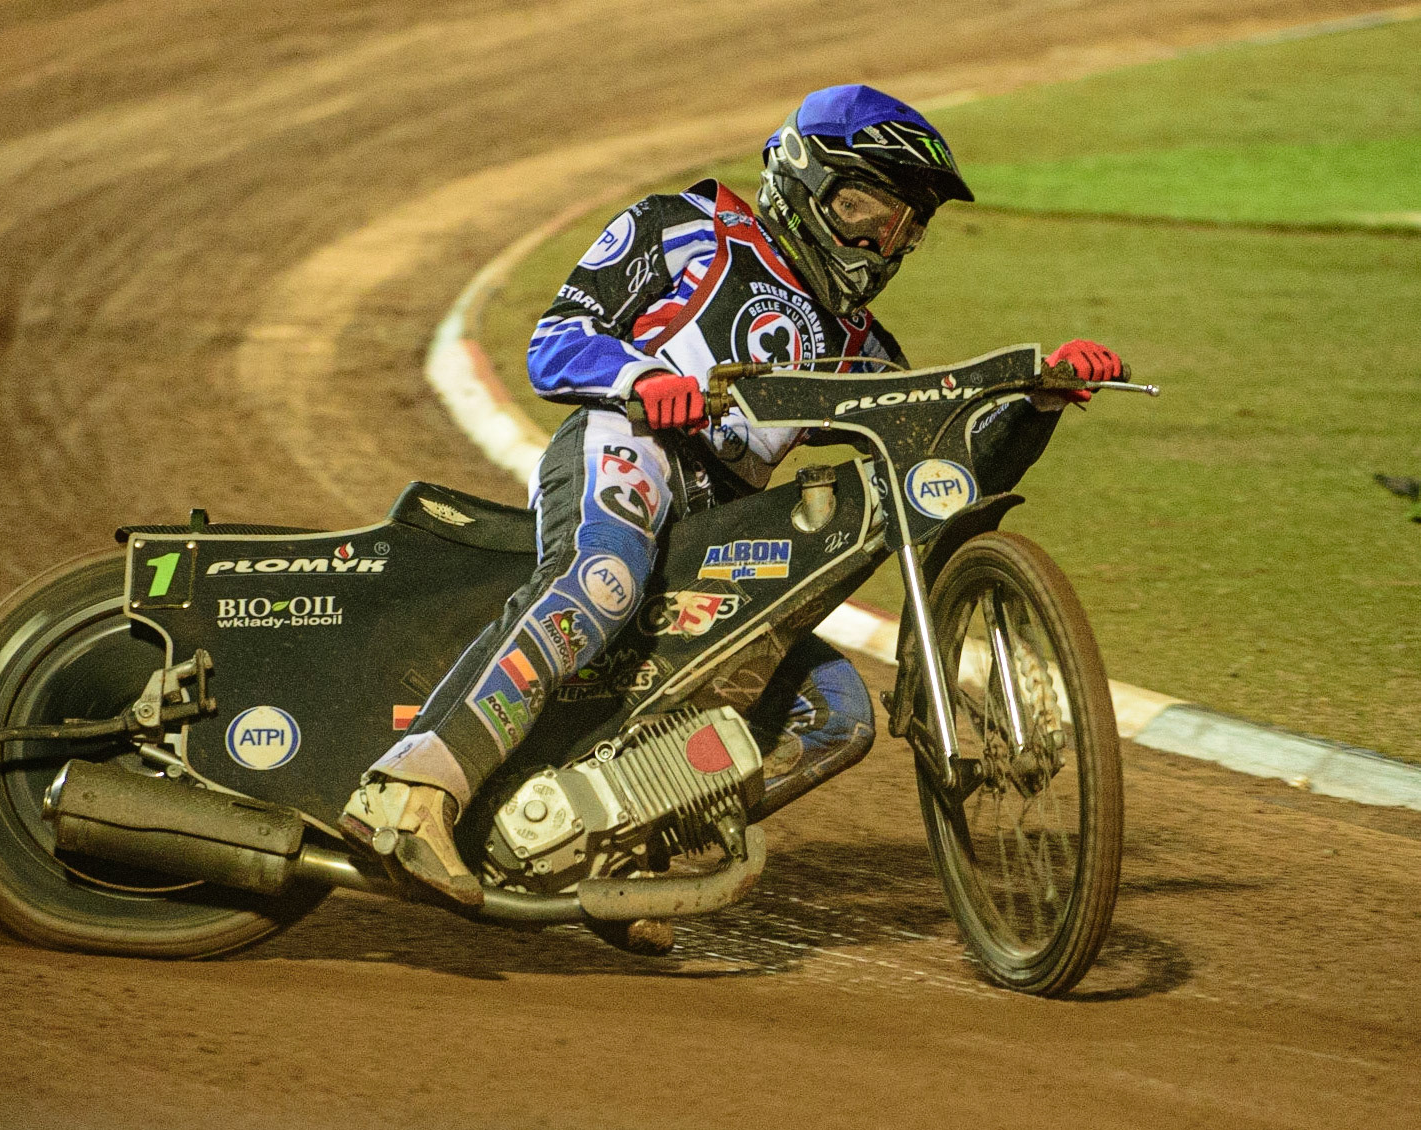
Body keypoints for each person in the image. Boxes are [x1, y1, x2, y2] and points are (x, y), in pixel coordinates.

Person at [340, 84, 1124, 905]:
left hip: (725, 521)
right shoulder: (680, 226)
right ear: (803, 180)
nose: (877, 243)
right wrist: (645, 378)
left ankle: (607, 846)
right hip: (629, 444)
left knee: (835, 712)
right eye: (863, 208)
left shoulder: (861, 346)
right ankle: (410, 791)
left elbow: (942, 473)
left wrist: (1036, 403)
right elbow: (555, 342)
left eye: (901, 226)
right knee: (604, 578)